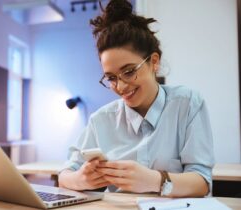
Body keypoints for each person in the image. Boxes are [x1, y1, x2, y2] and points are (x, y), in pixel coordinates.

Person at [58, 0, 214, 197]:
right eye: (111, 78)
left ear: (154, 62)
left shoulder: (188, 104)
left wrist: (156, 180)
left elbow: (202, 182)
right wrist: (79, 179)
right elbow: (64, 174)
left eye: (129, 71)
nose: (120, 86)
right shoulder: (101, 120)